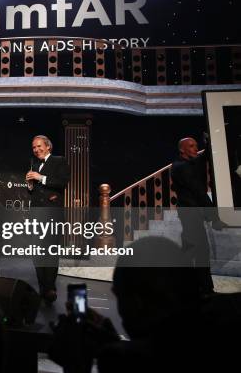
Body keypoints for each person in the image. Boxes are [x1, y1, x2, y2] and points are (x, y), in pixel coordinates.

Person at [48, 237, 241, 373]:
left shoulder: (129, 361)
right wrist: (112, 341)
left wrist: (76, 365)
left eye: (120, 297)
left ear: (136, 303)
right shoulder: (224, 320)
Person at [171, 136, 225, 296]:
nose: (196, 148)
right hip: (189, 214)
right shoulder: (180, 167)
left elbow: (205, 156)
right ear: (182, 150)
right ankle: (206, 289)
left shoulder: (192, 162)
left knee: (190, 250)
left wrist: (209, 141)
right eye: (192, 146)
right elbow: (199, 192)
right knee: (201, 250)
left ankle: (186, 286)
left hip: (193, 213)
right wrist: (214, 218)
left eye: (196, 145)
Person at [25, 135, 70, 304]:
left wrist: (40, 177)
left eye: (39, 146)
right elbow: (34, 191)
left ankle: (50, 288)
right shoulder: (35, 165)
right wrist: (30, 185)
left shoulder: (60, 161)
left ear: (48, 146)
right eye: (34, 148)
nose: (36, 150)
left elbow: (62, 182)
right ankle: (42, 287)